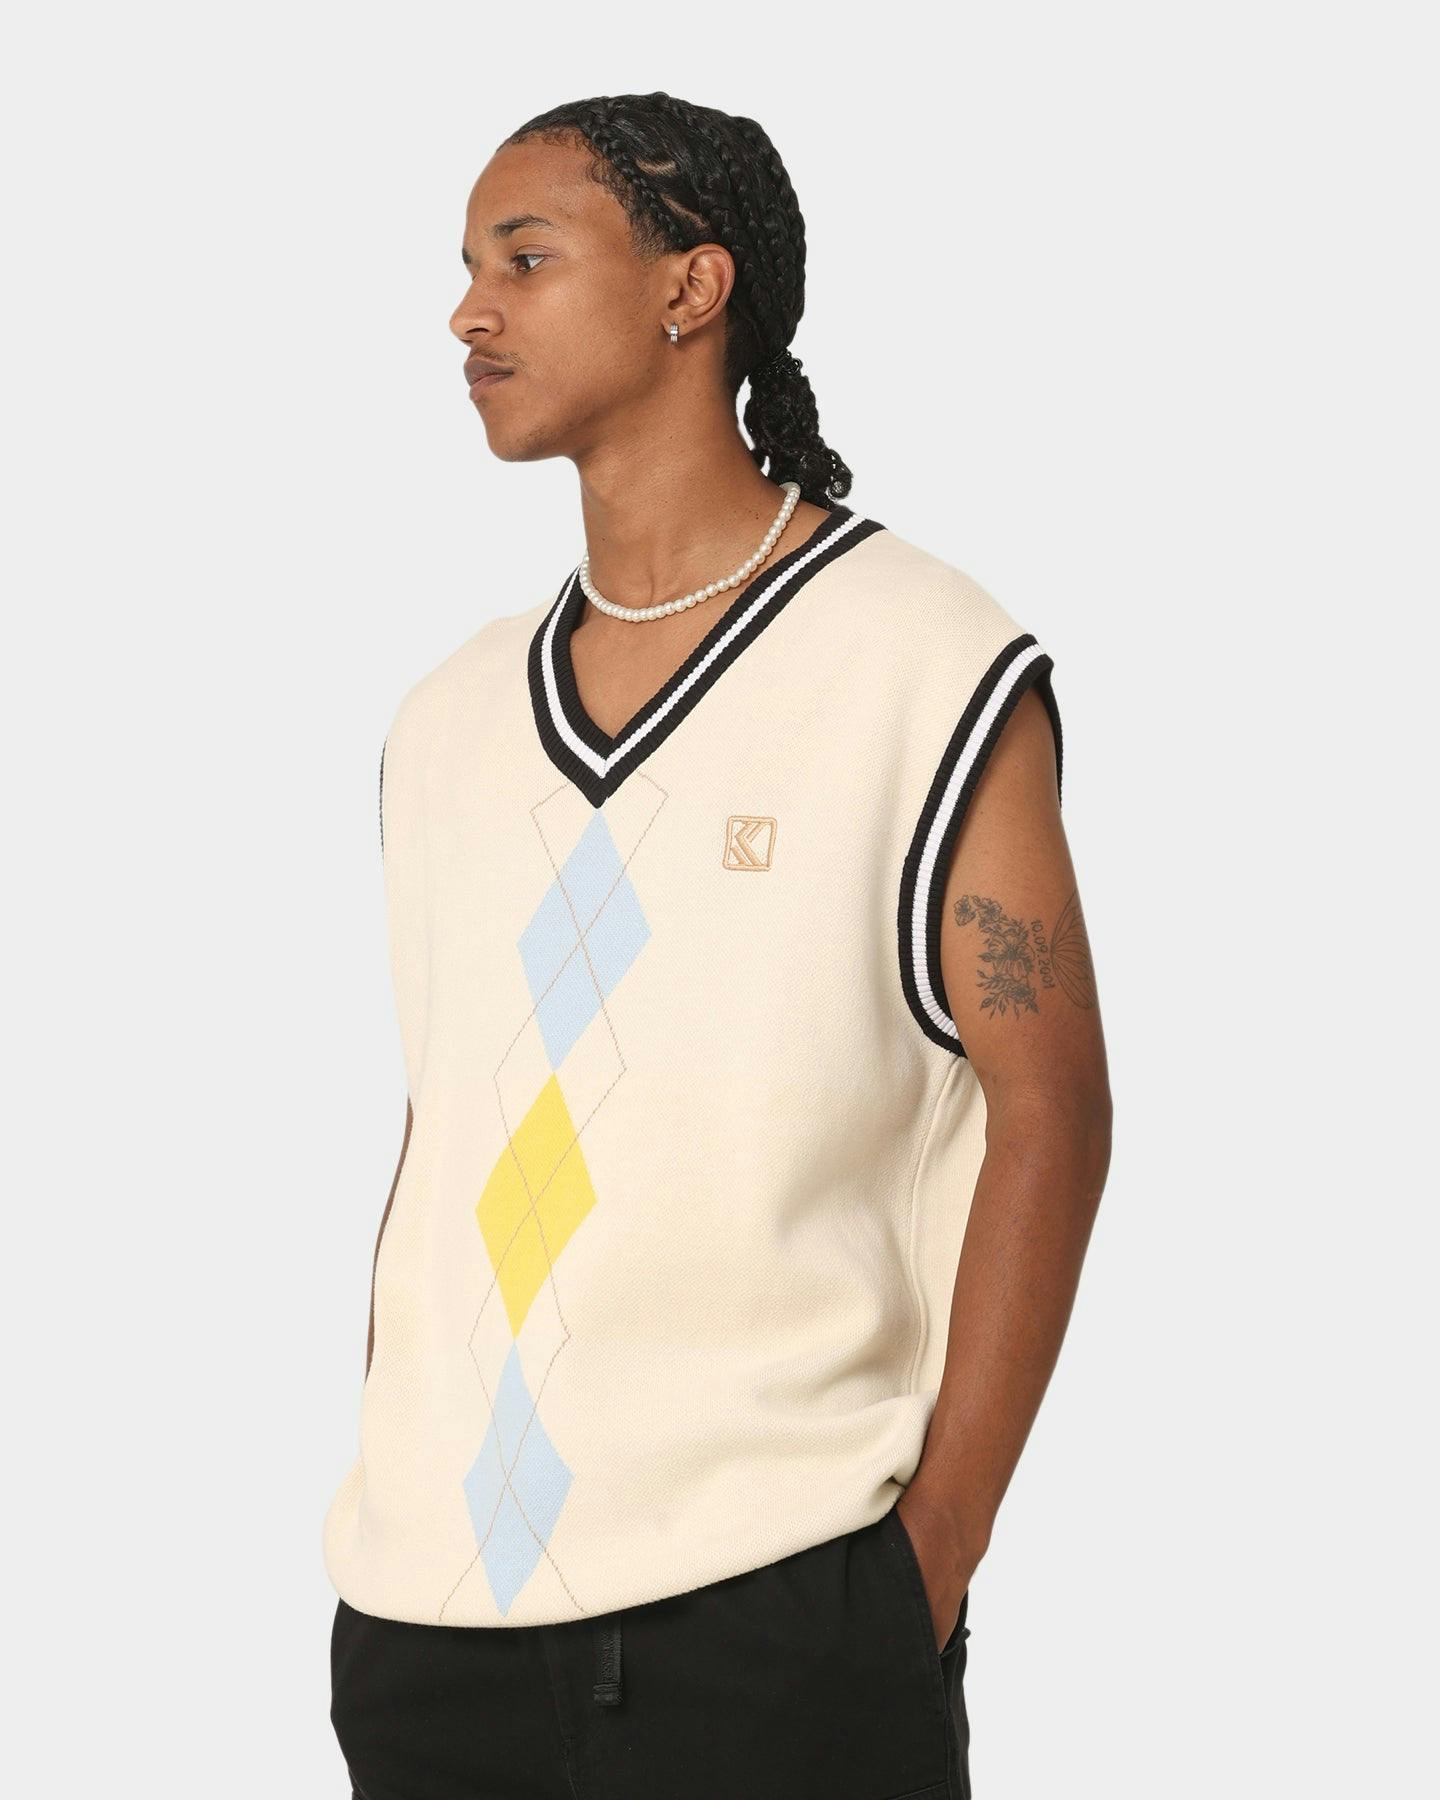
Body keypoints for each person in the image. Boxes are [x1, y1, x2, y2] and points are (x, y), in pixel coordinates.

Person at [323, 89, 1112, 1800]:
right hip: (425, 1632)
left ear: (692, 287)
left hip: (776, 1616)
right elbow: (443, 1119)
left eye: (525, 260)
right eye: (467, 266)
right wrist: (386, 1475)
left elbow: (1052, 1107)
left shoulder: (921, 662)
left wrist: (927, 1561)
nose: (468, 312)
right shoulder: (447, 718)